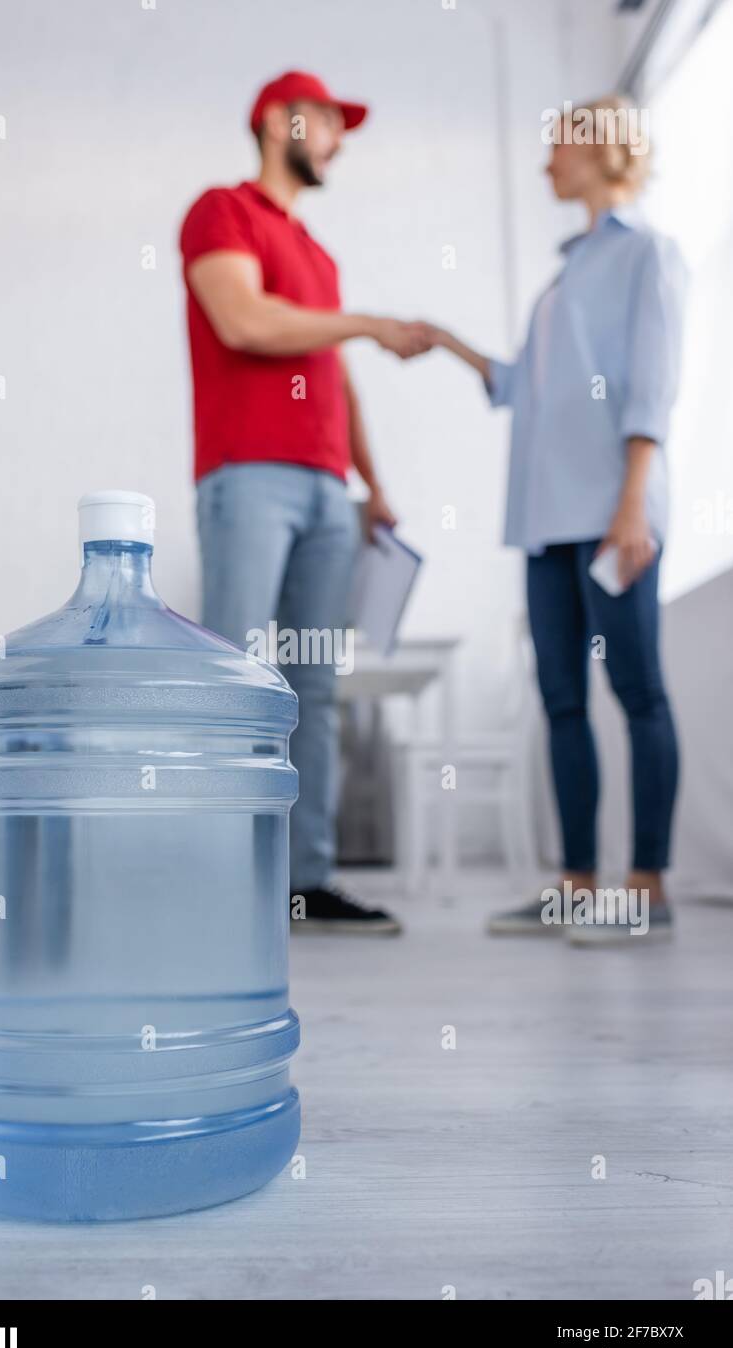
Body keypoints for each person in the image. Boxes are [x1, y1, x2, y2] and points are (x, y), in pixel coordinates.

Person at [426, 94, 687, 945]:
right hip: (544, 522)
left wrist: (629, 506)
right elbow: (520, 389)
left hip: (612, 514)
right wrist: (447, 343)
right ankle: (578, 885)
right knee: (561, 700)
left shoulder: (646, 254)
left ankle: (643, 887)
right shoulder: (563, 273)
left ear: (605, 150)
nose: (546, 162)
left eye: (559, 146)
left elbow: (649, 384)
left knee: (637, 694)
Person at [179, 71, 429, 936]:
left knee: (313, 689)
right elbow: (244, 322)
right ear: (281, 121)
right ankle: (217, 883)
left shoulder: (318, 255)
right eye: (326, 122)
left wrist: (373, 483)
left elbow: (334, 374)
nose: (336, 140)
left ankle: (305, 881)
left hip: (329, 492)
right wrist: (362, 321)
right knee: (238, 683)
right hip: (249, 474)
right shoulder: (222, 212)